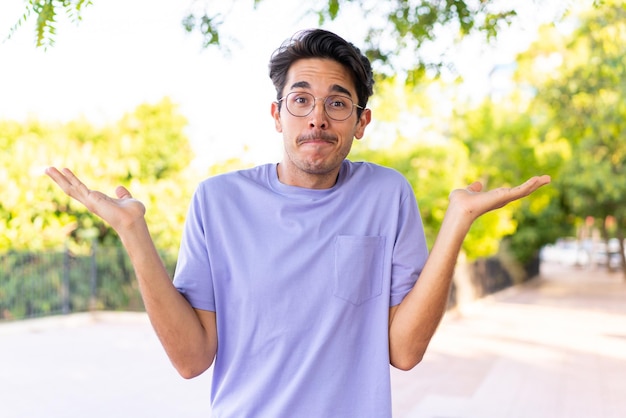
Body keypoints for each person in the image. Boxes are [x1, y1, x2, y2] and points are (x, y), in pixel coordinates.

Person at [46, 29, 550, 417]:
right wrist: (134, 235)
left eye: (337, 103)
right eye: (301, 99)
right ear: (277, 113)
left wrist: (457, 223)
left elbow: (405, 351)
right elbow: (191, 359)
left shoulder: (387, 193)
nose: (317, 119)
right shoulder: (218, 201)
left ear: (361, 122)